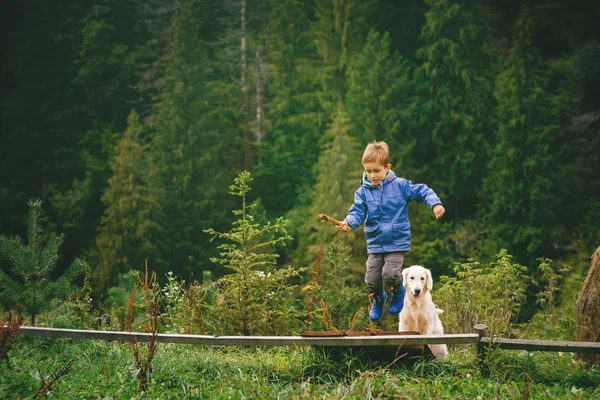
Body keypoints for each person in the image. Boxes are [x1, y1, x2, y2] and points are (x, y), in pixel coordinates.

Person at [337, 141, 445, 321]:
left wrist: (434, 203)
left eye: (376, 171)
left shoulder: (401, 186)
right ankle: (379, 299)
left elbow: (422, 191)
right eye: (368, 171)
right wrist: (349, 222)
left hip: (396, 241)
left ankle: (399, 292)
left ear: (387, 167)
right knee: (371, 279)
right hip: (375, 243)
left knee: (390, 274)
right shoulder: (363, 192)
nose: (372, 175)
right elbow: (357, 211)